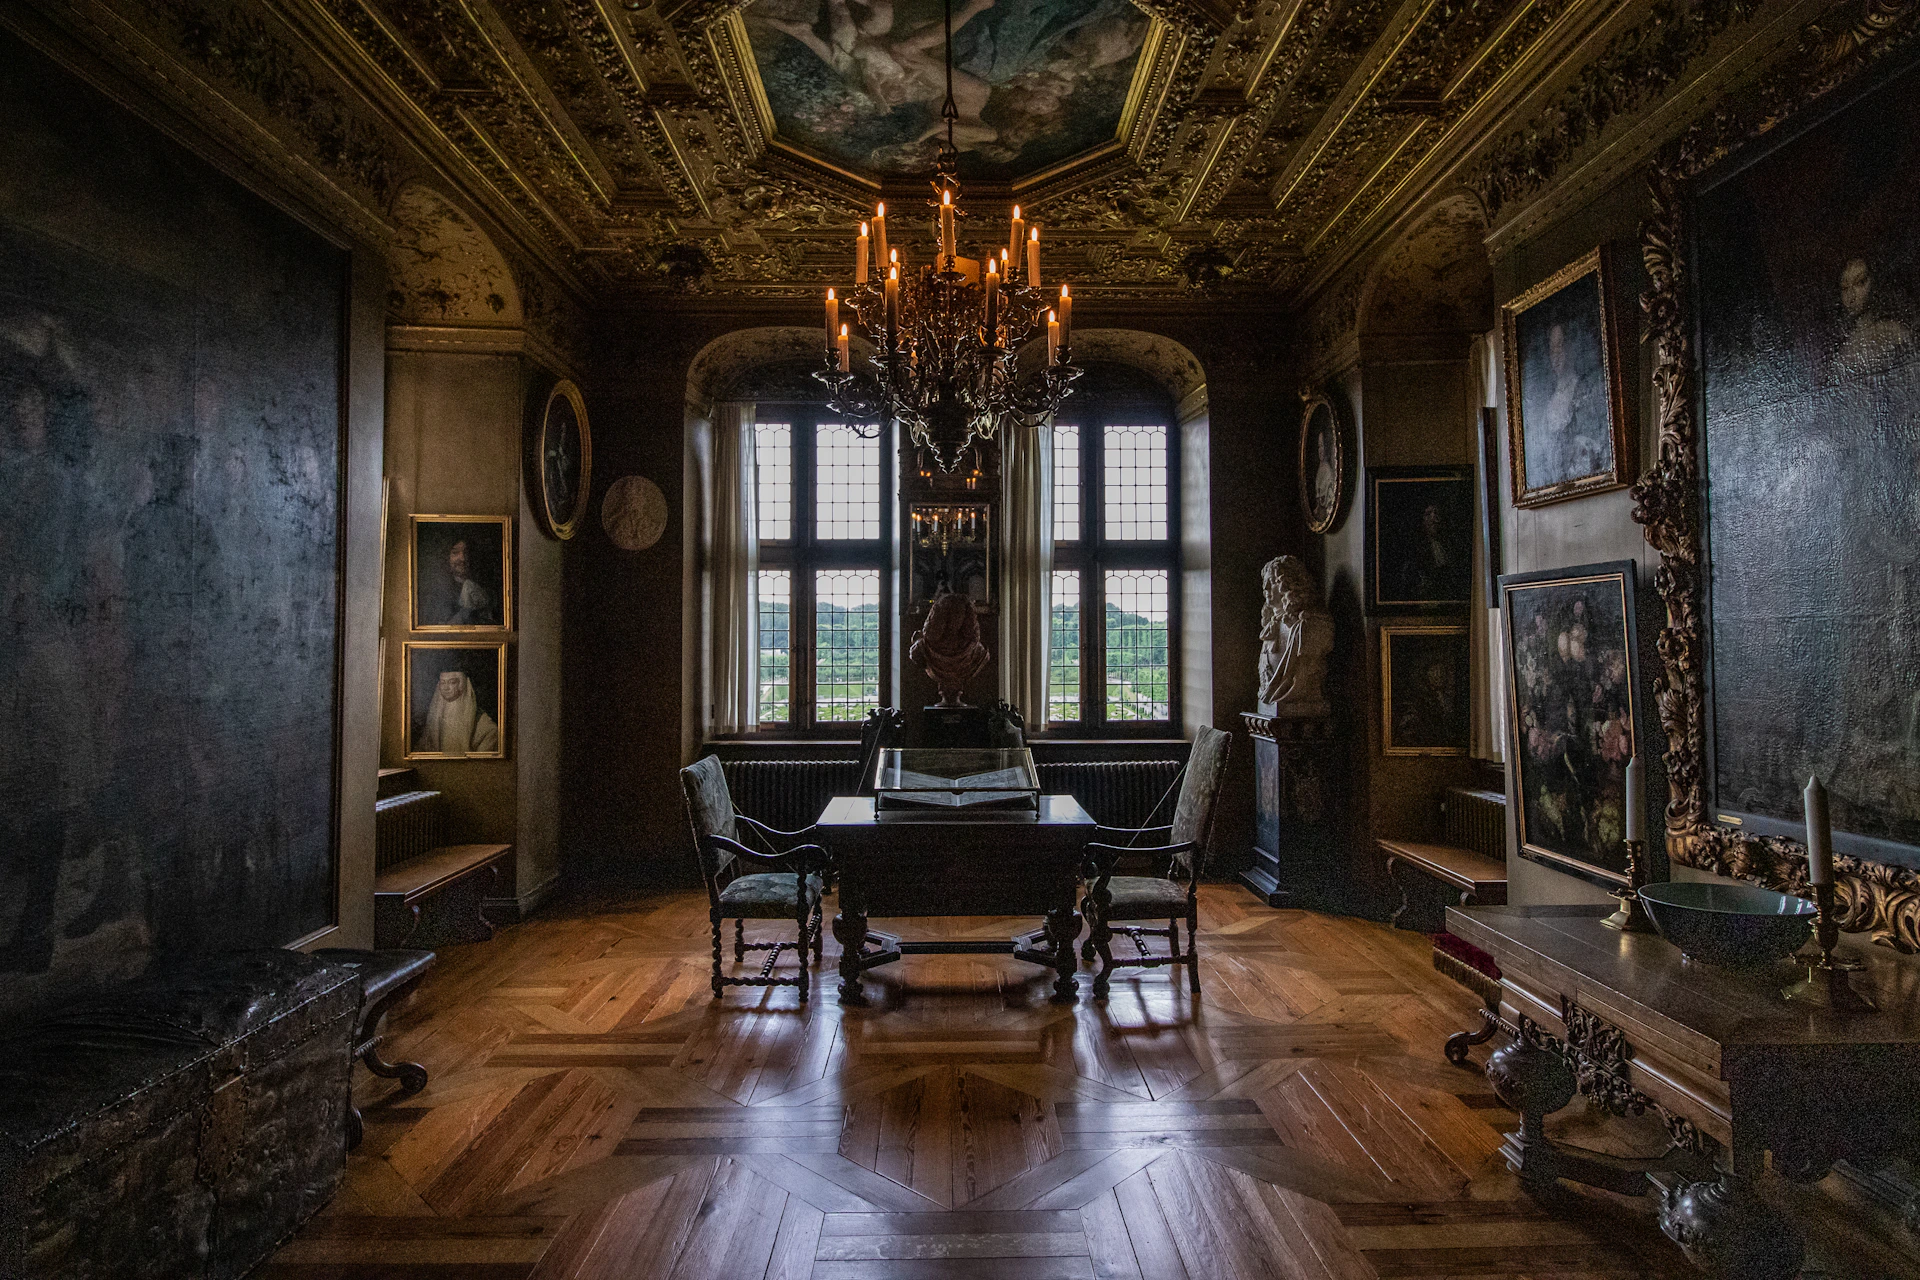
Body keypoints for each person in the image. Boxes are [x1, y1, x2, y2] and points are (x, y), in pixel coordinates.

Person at [416, 669, 500, 756]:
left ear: (462, 685)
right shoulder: (435, 718)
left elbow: (484, 758)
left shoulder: (484, 725)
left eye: (452, 682)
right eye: (443, 683)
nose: (446, 688)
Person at [440, 538, 497, 626]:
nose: (462, 558)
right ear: (447, 557)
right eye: (455, 553)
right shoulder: (440, 592)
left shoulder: (489, 589)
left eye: (466, 553)